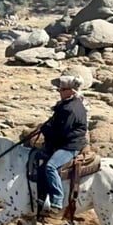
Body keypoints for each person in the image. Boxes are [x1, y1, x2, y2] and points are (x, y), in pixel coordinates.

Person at [37, 74, 88, 214]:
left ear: (71, 91)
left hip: (70, 146)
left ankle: (57, 199)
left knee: (50, 167)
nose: (59, 92)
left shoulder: (70, 109)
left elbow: (60, 133)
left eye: (61, 89)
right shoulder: (69, 104)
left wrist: (44, 129)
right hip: (66, 142)